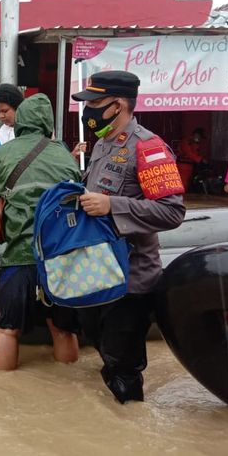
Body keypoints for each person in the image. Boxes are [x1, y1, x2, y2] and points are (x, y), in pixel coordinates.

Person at [71, 70, 186, 403]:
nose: (87, 111)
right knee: (101, 348)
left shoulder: (148, 148)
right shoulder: (103, 144)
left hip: (131, 281)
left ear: (117, 105)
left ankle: (130, 421)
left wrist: (112, 205)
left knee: (123, 368)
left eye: (93, 103)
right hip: (98, 274)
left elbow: (172, 212)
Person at [0, 93, 81, 370]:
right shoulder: (64, 155)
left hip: (20, 256)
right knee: (63, 330)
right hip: (60, 258)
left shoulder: (2, 153)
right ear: (48, 124)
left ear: (20, 122)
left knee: (6, 330)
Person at [177, 127, 207, 191]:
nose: (200, 139)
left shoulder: (195, 143)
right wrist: (201, 160)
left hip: (190, 166)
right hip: (183, 166)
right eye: (199, 137)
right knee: (183, 184)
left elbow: (196, 153)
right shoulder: (186, 141)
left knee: (187, 184)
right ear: (196, 135)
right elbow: (189, 153)